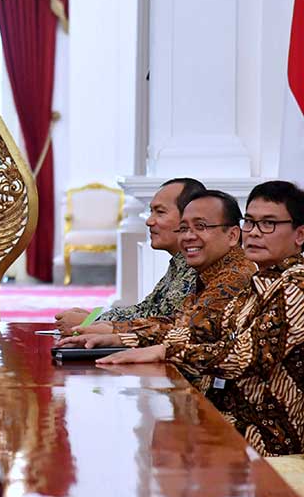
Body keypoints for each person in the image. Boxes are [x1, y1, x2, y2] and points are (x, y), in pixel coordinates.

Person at [96, 181, 304, 456]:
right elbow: (199, 330)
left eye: (268, 224)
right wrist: (123, 337)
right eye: (250, 222)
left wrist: (163, 351)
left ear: (299, 235)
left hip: (268, 440)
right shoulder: (260, 283)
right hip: (232, 422)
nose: (254, 233)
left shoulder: (295, 286)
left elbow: (244, 356)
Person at [59, 191, 256, 380]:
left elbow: (192, 331)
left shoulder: (235, 275)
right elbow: (172, 319)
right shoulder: (207, 269)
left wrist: (116, 333)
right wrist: (112, 329)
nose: (188, 236)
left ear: (232, 235)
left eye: (201, 226)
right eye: (184, 228)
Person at [55, 178, 205, 335]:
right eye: (151, 212)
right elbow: (146, 310)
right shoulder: (180, 261)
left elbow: (166, 324)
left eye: (160, 212)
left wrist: (92, 323)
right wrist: (96, 318)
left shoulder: (198, 266)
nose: (149, 221)